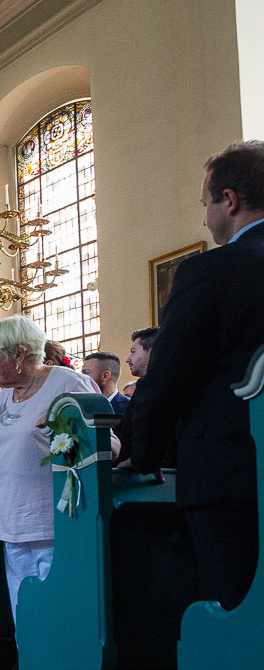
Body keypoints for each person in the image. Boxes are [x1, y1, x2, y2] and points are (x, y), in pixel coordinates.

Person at [133, 140, 264, 611]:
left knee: (236, 610)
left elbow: (169, 375)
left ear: (229, 200)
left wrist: (138, 451)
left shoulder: (210, 272)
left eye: (205, 204)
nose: (205, 219)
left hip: (231, 473)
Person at [0, 315, 102, 670]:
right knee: (25, 623)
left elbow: (109, 445)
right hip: (13, 531)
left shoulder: (68, 384)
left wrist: (67, 443)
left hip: (58, 528)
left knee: (60, 622)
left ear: (21, 354)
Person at [113, 328, 173, 469]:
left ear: (152, 351)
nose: (128, 359)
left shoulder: (161, 389)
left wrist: (136, 461)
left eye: (133, 351)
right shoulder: (144, 388)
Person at [80, 352, 129, 416]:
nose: (82, 378)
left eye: (86, 373)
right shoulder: (81, 408)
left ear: (105, 376)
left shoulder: (130, 407)